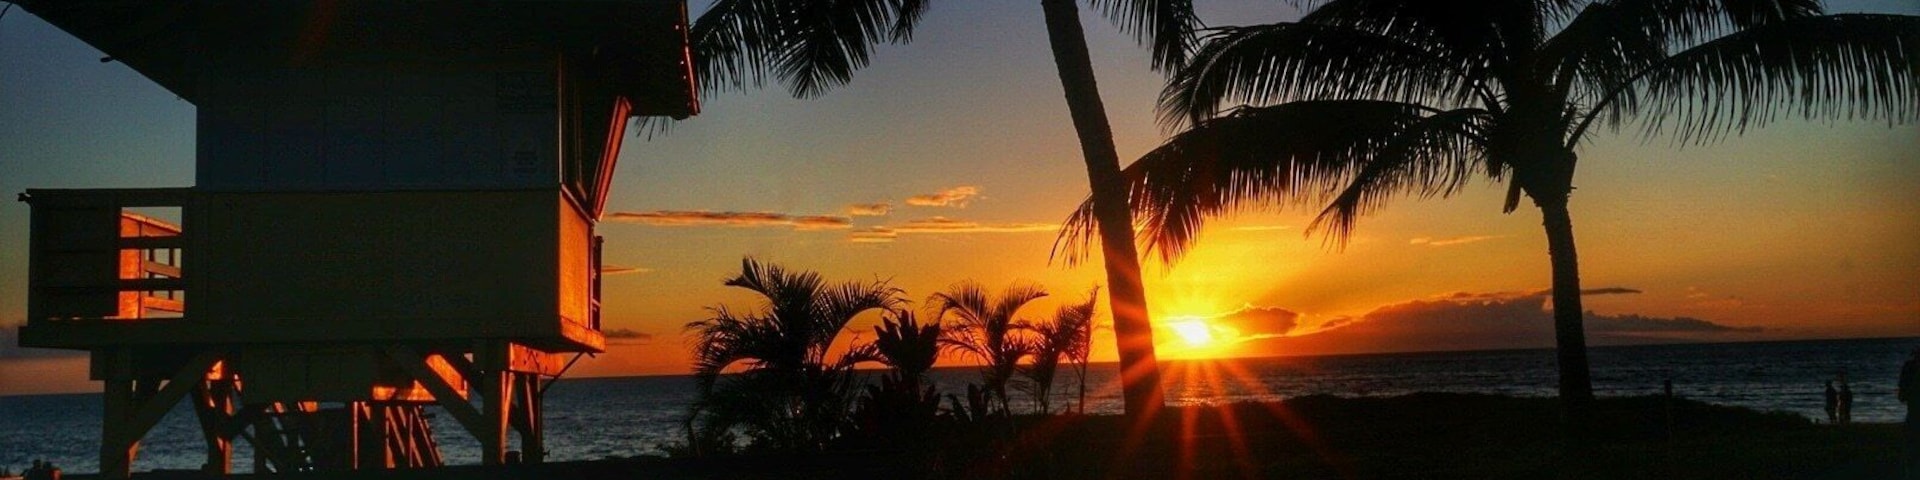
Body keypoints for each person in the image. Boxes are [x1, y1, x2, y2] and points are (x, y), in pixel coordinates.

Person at [1899, 347, 1918, 479]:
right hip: (1913, 413)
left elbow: (1902, 396)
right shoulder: (1909, 368)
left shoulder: (1908, 368)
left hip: (1913, 414)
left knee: (1912, 449)